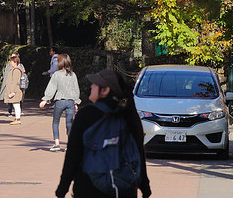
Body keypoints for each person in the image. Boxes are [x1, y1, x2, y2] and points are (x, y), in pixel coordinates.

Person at [55, 68, 151, 198]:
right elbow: (138, 152)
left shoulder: (86, 115)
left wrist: (62, 189)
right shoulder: (128, 115)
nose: (91, 86)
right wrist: (145, 187)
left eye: (95, 84)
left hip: (89, 187)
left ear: (105, 90)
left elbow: (73, 155)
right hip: (124, 189)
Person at [39, 53, 80, 151]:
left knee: (55, 122)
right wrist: (76, 102)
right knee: (69, 123)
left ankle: (57, 144)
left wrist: (45, 99)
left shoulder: (57, 74)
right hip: (70, 101)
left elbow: (52, 87)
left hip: (60, 101)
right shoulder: (72, 74)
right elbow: (76, 89)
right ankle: (69, 145)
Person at [0, 52, 26, 125]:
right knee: (16, 104)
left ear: (15, 62)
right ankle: (17, 117)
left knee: (16, 105)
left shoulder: (16, 70)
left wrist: (13, 91)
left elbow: (15, 82)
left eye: (11, 62)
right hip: (15, 90)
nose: (10, 63)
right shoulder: (14, 69)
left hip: (15, 90)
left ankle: (17, 118)